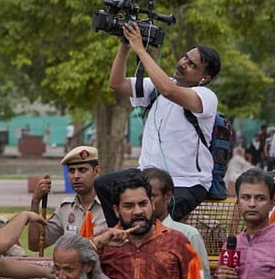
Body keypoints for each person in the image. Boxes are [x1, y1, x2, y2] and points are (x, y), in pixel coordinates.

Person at [105, 23, 221, 223]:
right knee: (104, 185)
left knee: (153, 221)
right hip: (147, 176)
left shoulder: (206, 96)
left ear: (204, 78)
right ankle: (121, 239)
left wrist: (140, 49)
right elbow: (117, 82)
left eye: (192, 64)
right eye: (185, 57)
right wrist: (125, 45)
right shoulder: (158, 86)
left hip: (185, 183)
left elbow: (169, 90)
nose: (183, 63)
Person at [90, 173, 202, 279]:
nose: (138, 211)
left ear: (152, 204)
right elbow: (74, 265)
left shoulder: (176, 241)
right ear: (117, 210)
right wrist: (97, 244)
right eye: (129, 206)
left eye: (143, 204)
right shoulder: (102, 242)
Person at [216, 168, 275, 279]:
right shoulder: (231, 246)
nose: (252, 204)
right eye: (245, 197)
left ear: (271, 203)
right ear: (238, 203)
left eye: (260, 198)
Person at [28, 146, 107, 252]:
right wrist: (35, 201)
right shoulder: (65, 209)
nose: (76, 176)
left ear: (97, 171)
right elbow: (36, 245)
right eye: (71, 171)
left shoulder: (110, 206)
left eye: (82, 170)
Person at [142, 167, 210, 279]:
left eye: (152, 196)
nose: (145, 202)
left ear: (167, 197)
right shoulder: (129, 235)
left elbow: (200, 276)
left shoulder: (188, 235)